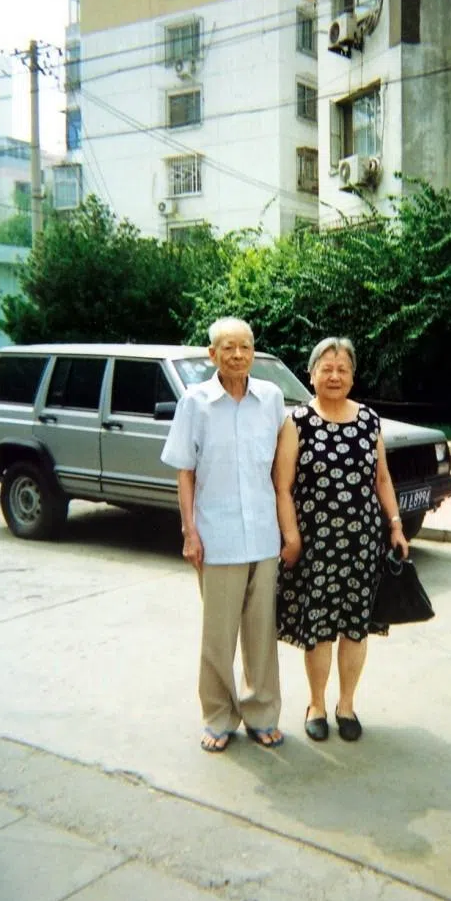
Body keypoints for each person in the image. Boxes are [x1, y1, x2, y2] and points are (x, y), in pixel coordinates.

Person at [274, 337, 409, 742]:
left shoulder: (368, 419)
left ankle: (346, 704)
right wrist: (292, 538)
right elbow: (283, 487)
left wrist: (396, 525)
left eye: (342, 369)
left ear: (352, 376)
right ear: (312, 374)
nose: (334, 376)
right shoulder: (297, 422)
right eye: (326, 369)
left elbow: (382, 478)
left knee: (355, 626)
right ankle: (316, 703)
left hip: (362, 542)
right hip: (316, 544)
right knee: (318, 628)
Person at [161, 317, 285, 752]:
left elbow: (279, 470)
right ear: (211, 354)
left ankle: (262, 712)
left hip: (264, 536)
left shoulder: (270, 400)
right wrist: (189, 531)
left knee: (261, 633)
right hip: (217, 537)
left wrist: (287, 530)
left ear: (254, 352)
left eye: (245, 347)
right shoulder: (196, 402)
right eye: (228, 348)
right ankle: (218, 716)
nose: (238, 355)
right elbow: (185, 471)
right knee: (218, 634)